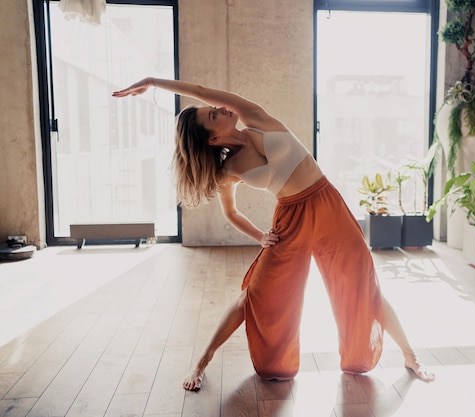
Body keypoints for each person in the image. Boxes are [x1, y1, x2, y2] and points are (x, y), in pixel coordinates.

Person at [112, 78, 435, 390]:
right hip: (289, 219)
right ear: (212, 139)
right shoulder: (228, 171)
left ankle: (410, 356)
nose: (220, 108)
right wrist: (259, 235)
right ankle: (202, 361)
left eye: (215, 107)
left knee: (364, 287)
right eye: (213, 114)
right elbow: (231, 212)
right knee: (254, 294)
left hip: (328, 207)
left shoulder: (256, 117)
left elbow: (200, 90)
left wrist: (154, 82)